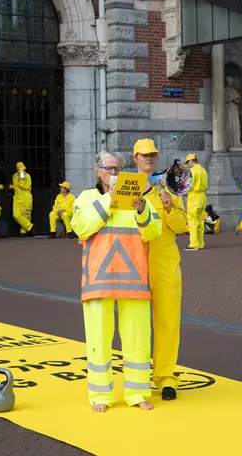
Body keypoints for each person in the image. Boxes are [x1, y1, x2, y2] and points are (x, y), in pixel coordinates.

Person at [70, 151, 162, 412]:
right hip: (98, 280)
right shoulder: (87, 198)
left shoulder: (138, 198)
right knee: (98, 339)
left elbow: (154, 231)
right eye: (110, 169)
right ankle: (101, 395)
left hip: (134, 280)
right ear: (98, 171)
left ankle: (138, 392)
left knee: (138, 339)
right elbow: (81, 226)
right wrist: (109, 200)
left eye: (119, 169)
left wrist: (144, 212)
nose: (114, 174)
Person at [133, 138, 188, 401]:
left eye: (153, 155)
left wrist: (168, 207)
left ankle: (166, 377)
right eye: (144, 155)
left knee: (167, 321)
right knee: (138, 324)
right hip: (135, 263)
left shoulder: (169, 185)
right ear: (135, 158)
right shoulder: (127, 186)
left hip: (165, 262)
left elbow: (180, 226)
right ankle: (140, 374)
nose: (149, 159)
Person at [184, 154, 208, 251]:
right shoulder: (203, 170)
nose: (188, 165)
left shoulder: (192, 171)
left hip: (194, 196)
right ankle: (200, 243)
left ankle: (193, 244)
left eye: (188, 162)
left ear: (190, 161)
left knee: (193, 221)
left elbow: (187, 185)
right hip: (202, 196)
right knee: (200, 221)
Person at [11, 162, 35, 237]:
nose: (22, 171)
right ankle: (30, 227)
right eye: (20, 170)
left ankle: (23, 231)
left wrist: (21, 180)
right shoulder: (14, 176)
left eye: (23, 169)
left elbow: (26, 186)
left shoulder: (27, 176)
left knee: (26, 215)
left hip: (26, 197)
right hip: (17, 197)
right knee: (16, 214)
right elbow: (15, 186)